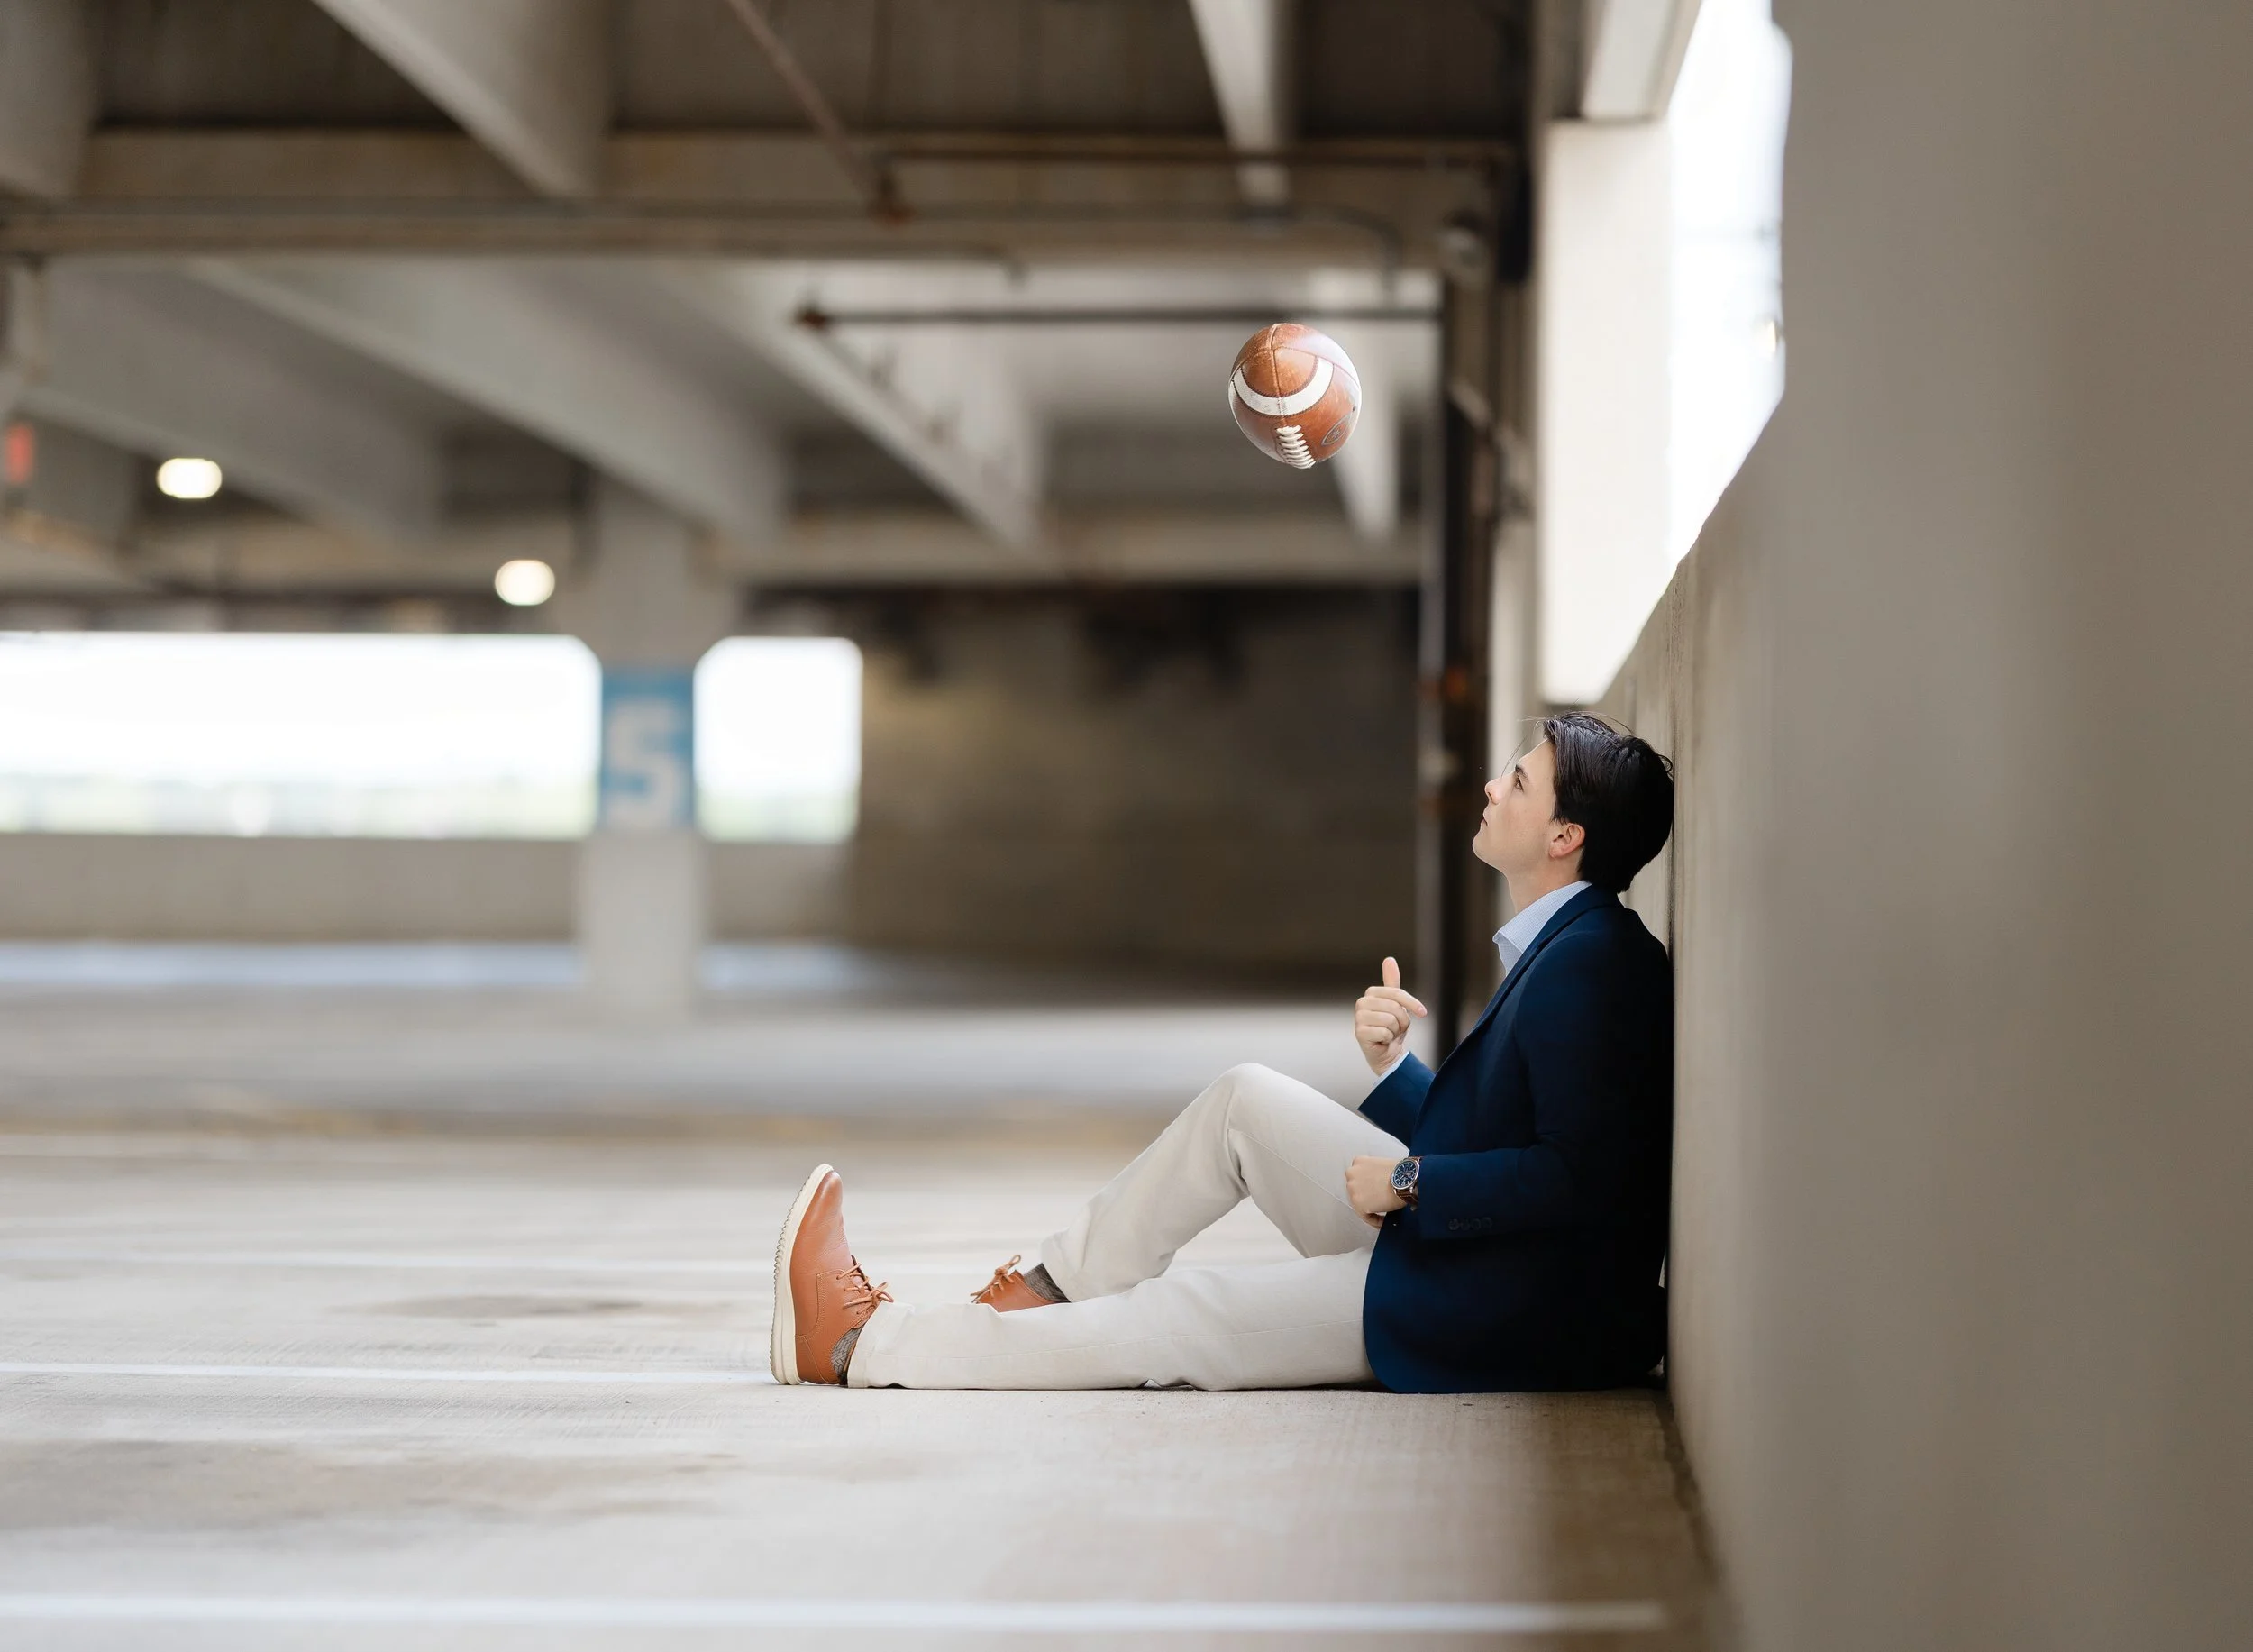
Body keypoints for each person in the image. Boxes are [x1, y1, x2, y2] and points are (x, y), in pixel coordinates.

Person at [768, 713, 1675, 1393]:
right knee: (1245, 1098)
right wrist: (1396, 1076)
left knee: (1184, 1317)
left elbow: (1576, 1179)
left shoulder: (1593, 963)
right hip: (1471, 1257)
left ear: (1565, 837)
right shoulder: (1570, 943)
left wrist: (1413, 1185)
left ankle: (859, 1348)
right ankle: (1047, 1292)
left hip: (1495, 1306)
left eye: (1516, 784)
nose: (1490, 788)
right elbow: (1507, 1131)